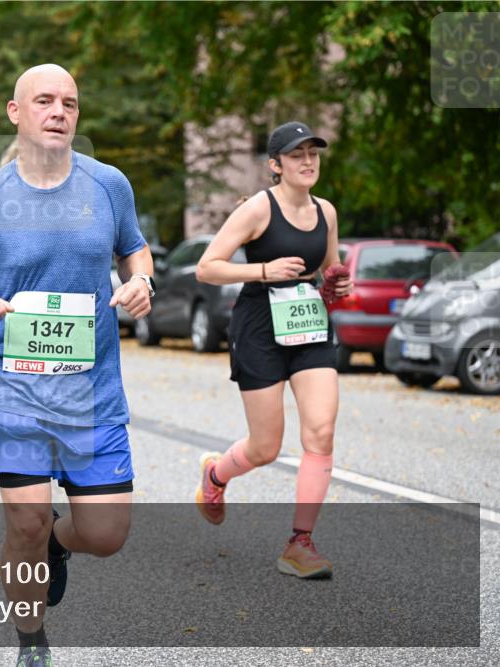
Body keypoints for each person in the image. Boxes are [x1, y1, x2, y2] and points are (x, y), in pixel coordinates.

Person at [0, 64, 154, 666]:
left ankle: (61, 539)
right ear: (16, 112)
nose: (59, 112)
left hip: (94, 392)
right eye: (46, 101)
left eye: (70, 104)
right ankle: (31, 641)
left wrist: (143, 281)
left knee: (106, 536)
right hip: (17, 391)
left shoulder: (108, 185)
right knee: (24, 522)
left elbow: (134, 249)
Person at [194, 121, 354, 579]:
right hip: (260, 326)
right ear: (275, 165)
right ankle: (216, 475)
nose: (308, 161)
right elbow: (207, 268)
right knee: (266, 446)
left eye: (314, 154)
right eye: (297, 154)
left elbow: (328, 271)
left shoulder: (326, 211)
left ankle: (299, 544)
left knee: (320, 432)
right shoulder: (258, 210)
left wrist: (338, 283)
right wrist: (264, 271)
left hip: (308, 325)